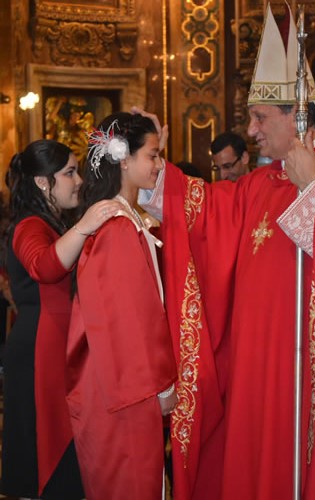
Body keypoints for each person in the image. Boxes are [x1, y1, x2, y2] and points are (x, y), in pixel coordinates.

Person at [136, 3, 315, 499]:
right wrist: (151, 166)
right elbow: (206, 212)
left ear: (299, 113)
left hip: (309, 380)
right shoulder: (262, 181)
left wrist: (314, 192)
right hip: (256, 372)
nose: (251, 131)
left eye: (260, 117)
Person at [65, 111, 178, 500]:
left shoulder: (128, 217)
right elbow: (131, 322)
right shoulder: (116, 227)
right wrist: (161, 384)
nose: (159, 164)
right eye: (153, 154)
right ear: (124, 160)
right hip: (125, 390)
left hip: (125, 385)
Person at [1, 139, 116, 499]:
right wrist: (84, 226)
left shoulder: (49, 222)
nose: (78, 180)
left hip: (53, 346)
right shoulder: (29, 225)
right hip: (40, 352)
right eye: (68, 172)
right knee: (49, 457)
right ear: (42, 181)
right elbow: (44, 266)